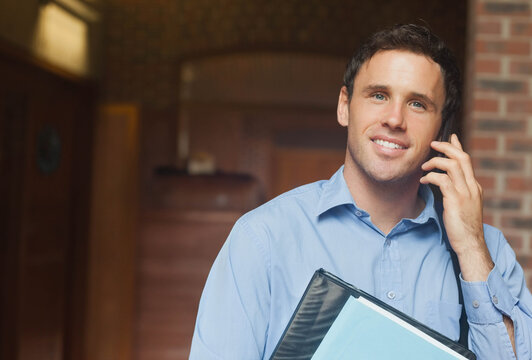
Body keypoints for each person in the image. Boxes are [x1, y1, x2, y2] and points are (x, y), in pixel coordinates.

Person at [189, 24, 532, 360]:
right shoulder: (262, 239)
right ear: (344, 105)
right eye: (379, 95)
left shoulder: (490, 253)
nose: (394, 119)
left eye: (418, 104)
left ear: (442, 128)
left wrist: (471, 248)